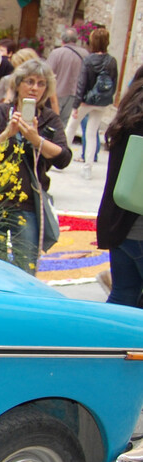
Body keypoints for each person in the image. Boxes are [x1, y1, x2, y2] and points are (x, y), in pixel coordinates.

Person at [0, 59, 71, 274]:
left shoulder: (49, 119)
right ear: (18, 84)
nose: (34, 88)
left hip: (28, 204)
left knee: (25, 269)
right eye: (29, 81)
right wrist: (6, 134)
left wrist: (37, 140)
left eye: (41, 83)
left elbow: (64, 158)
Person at [96, 65, 143, 306]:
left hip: (120, 226)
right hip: (138, 226)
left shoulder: (128, 118)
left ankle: (106, 344)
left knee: (123, 297)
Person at [64, 27, 118, 180]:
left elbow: (82, 84)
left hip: (86, 101)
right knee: (92, 133)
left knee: (71, 128)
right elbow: (114, 82)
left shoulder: (88, 60)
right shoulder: (112, 61)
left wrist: (76, 105)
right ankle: (88, 168)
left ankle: (62, 159)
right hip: (102, 103)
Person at [48, 27, 89, 127]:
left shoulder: (56, 53)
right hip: (75, 93)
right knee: (65, 123)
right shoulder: (85, 54)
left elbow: (47, 73)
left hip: (57, 92)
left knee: (51, 120)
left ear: (62, 39)